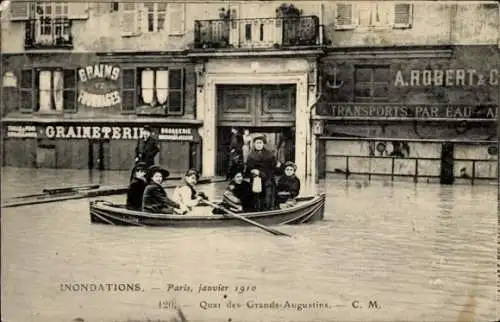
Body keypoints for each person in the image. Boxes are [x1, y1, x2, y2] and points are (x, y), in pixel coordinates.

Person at [245, 134, 280, 211]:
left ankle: (268, 210)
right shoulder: (251, 156)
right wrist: (253, 171)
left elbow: (273, 168)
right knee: (256, 197)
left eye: (260, 143)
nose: (259, 145)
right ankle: (257, 211)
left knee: (268, 198)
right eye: (257, 143)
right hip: (256, 180)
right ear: (254, 144)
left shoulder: (270, 155)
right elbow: (248, 169)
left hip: (267, 180)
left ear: (263, 144)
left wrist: (261, 173)